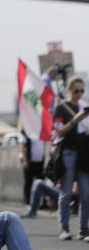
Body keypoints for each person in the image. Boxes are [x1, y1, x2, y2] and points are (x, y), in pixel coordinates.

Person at [52, 77, 88, 240]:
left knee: (86, 193)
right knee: (66, 192)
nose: (79, 94)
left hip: (83, 153)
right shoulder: (61, 108)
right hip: (68, 152)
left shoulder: (83, 107)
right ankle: (64, 228)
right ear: (69, 90)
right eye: (76, 91)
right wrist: (75, 120)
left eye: (82, 90)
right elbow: (58, 131)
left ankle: (84, 229)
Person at [20, 130, 46, 206]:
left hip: (39, 162)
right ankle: (27, 202)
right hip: (29, 162)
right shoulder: (26, 131)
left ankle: (41, 202)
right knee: (28, 182)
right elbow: (22, 146)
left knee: (41, 182)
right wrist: (25, 160)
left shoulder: (41, 130)